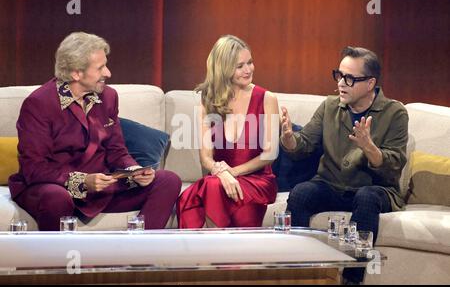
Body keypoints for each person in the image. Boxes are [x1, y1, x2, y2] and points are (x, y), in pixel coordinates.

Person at [8, 32, 181, 231]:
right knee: (56, 198)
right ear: (75, 73)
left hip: (100, 186)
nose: (108, 73)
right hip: (53, 186)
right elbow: (34, 168)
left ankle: (136, 254)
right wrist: (82, 181)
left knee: (168, 180)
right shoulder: (39, 104)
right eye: (100, 68)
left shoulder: (108, 97)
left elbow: (117, 150)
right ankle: (56, 260)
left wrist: (133, 171)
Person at [280, 46, 408, 284]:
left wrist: (369, 147)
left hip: (375, 189)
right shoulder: (330, 106)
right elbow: (304, 144)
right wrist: (289, 139)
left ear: (370, 83)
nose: (341, 83)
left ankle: (351, 279)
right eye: (339, 75)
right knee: (301, 193)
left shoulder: (394, 113)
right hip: (331, 185)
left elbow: (395, 166)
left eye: (349, 78)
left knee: (367, 197)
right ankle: (299, 271)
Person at [176, 35, 279, 228]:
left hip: (256, 181)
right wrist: (221, 173)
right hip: (220, 180)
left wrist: (232, 172)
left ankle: (212, 252)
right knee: (213, 185)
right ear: (224, 69)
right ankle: (217, 250)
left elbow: (270, 154)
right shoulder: (208, 101)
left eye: (250, 62)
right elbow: (206, 157)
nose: (248, 69)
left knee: (209, 187)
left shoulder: (267, 98)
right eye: (240, 66)